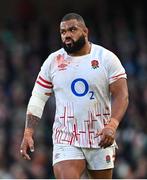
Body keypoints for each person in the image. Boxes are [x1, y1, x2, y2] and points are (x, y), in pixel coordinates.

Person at [20, 13, 129, 179]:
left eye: (72, 29)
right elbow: (38, 98)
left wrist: (112, 125)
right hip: (66, 138)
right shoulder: (53, 62)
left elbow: (122, 96)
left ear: (85, 31)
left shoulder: (106, 58)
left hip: (100, 136)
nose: (67, 35)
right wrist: (28, 132)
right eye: (63, 32)